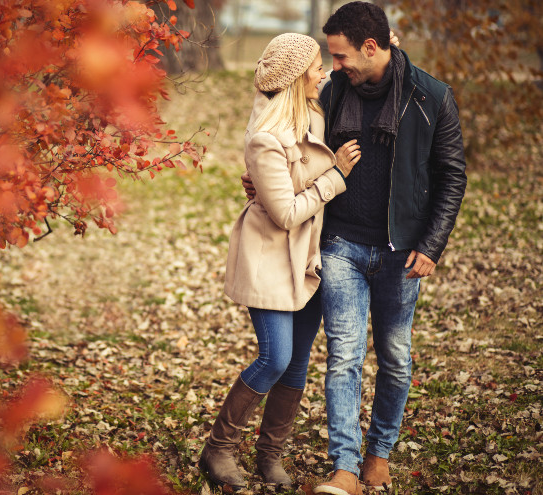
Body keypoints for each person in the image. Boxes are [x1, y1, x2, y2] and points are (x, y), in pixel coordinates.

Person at [267, 3, 463, 494]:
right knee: (344, 357)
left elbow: (451, 176)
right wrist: (262, 180)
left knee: (395, 357)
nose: (334, 67)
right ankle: (346, 469)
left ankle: (379, 454)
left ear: (370, 48)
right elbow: (291, 147)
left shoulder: (431, 97)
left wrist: (433, 245)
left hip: (402, 252)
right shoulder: (333, 94)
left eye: (340, 56)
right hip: (340, 245)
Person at [198, 33, 362, 492]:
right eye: (315, 67)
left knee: (296, 364)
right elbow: (286, 212)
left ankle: (270, 457)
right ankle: (218, 448)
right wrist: (336, 177)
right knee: (275, 357)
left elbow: (362, 75)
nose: (323, 73)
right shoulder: (265, 138)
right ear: (294, 77)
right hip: (271, 257)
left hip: (308, 259)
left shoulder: (314, 114)